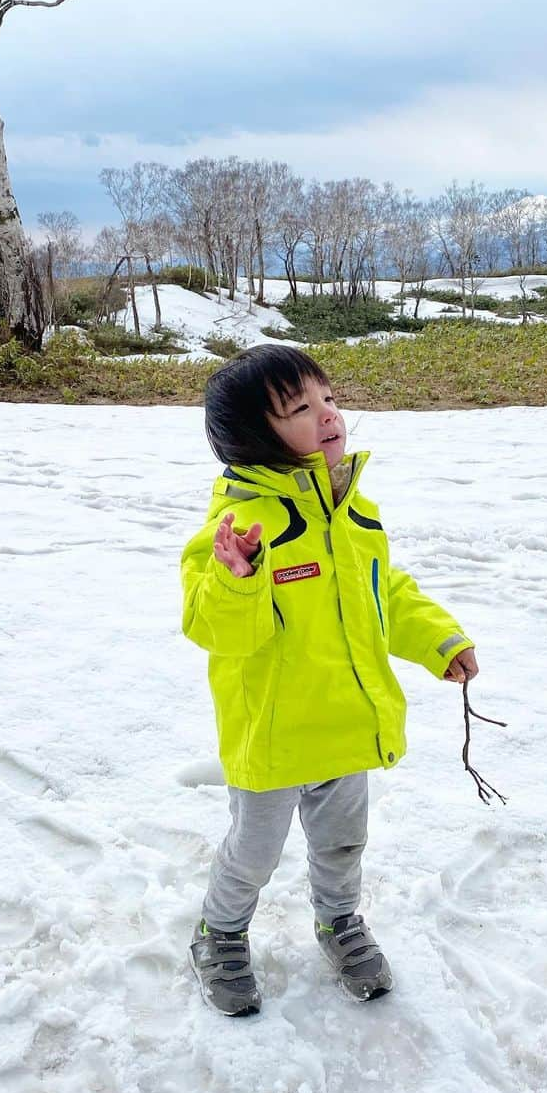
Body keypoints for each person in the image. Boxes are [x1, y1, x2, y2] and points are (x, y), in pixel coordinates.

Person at [180, 345, 478, 1015]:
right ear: (261, 437)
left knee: (343, 843)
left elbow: (384, 593)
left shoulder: (354, 509)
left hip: (346, 721)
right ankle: (218, 934)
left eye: (328, 399)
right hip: (276, 734)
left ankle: (338, 921)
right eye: (298, 409)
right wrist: (237, 580)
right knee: (254, 852)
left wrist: (437, 639)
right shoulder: (242, 526)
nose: (327, 416)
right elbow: (213, 626)